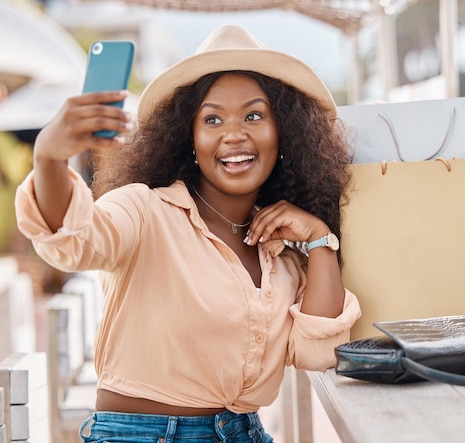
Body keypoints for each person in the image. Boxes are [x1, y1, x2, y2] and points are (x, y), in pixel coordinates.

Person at [15, 24, 361, 442]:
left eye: (254, 115)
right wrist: (50, 157)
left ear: (283, 133)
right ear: (190, 139)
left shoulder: (282, 256)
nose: (234, 134)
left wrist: (321, 239)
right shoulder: (144, 210)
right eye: (212, 119)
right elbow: (72, 240)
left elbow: (318, 353)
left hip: (245, 432)